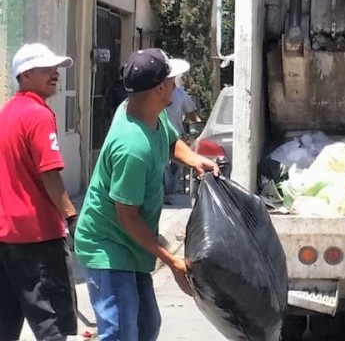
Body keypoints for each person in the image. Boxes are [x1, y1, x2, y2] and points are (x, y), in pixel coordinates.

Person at [74, 48, 219, 341]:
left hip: (131, 245)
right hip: (109, 246)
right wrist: (172, 261)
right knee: (121, 332)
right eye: (172, 80)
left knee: (146, 326)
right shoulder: (132, 147)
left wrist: (194, 159)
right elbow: (126, 216)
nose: (176, 86)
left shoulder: (146, 111)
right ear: (160, 88)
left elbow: (170, 141)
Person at [0, 43, 79, 341]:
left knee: (5, 322)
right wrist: (71, 216)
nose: (55, 73)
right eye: (46, 69)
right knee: (52, 324)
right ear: (25, 74)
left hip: (7, 236)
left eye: (55, 68)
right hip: (38, 237)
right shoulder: (37, 115)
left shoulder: (7, 112)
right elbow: (50, 174)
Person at [162, 76, 202, 200]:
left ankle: (169, 193)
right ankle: (165, 194)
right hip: (159, 135)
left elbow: (192, 114)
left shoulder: (181, 94)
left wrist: (199, 127)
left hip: (176, 137)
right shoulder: (156, 94)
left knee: (174, 169)